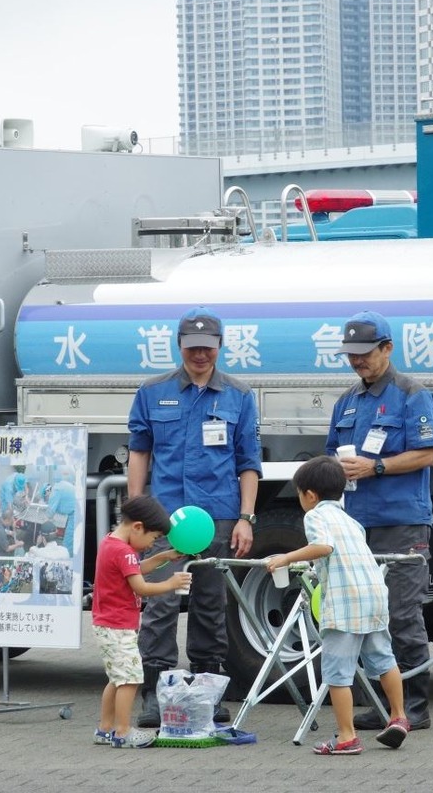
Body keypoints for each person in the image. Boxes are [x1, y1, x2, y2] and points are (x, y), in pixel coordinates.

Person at [127, 306, 263, 727]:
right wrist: (136, 511)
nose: (199, 355)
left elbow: (249, 461)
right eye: (192, 348)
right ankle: (157, 692)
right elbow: (139, 452)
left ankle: (208, 691)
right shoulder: (152, 391)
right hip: (166, 519)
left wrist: (246, 517)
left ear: (220, 347)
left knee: (210, 605)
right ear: (179, 346)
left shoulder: (239, 395)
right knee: (160, 604)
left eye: (207, 348)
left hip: (218, 518)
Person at [327, 310, 433, 731]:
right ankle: (383, 704)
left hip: (401, 522)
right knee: (368, 616)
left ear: (387, 349)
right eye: (351, 355)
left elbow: (428, 454)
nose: (357, 361)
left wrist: (374, 468)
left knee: (401, 614)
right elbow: (331, 456)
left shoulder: (412, 394)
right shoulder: (347, 401)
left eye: (365, 353)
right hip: (356, 525)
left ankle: (414, 706)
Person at [265, 456, 410, 754]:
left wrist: (286, 557)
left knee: (337, 674)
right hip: (373, 597)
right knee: (384, 660)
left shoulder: (315, 516)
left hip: (345, 604)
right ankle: (398, 717)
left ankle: (346, 737)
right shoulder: (350, 519)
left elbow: (324, 547)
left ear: (310, 495)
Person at [92, 495, 192, 749]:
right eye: (153, 538)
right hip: (118, 625)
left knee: (117, 678)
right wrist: (171, 584)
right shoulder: (124, 551)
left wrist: (163, 557)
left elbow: (135, 568)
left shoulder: (110, 543)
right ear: (137, 526)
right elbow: (141, 586)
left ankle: (105, 729)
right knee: (132, 678)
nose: (151, 544)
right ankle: (123, 731)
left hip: (106, 624)